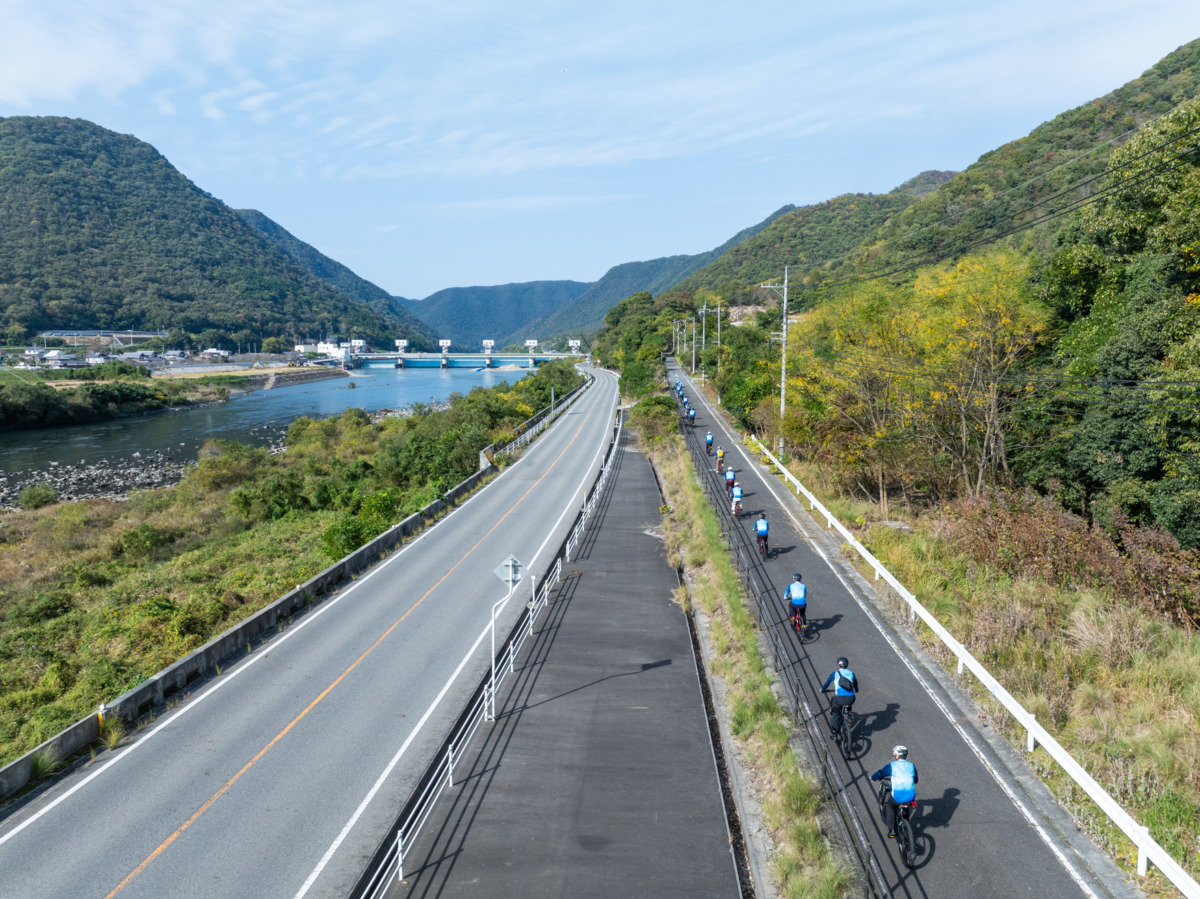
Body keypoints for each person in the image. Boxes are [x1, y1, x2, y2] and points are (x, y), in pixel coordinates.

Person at [871, 746, 918, 839]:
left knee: (890, 806)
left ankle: (892, 829)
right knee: (906, 804)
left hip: (897, 796)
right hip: (911, 797)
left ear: (897, 756)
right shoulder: (912, 766)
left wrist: (873, 777)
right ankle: (905, 824)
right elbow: (915, 780)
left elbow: (881, 773)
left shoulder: (892, 766)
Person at [821, 657, 858, 739]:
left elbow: (826, 684)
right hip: (851, 698)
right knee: (848, 701)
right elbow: (855, 684)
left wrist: (822, 690)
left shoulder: (834, 674)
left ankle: (834, 733)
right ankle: (849, 713)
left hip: (839, 699)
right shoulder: (851, 673)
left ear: (838, 665)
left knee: (835, 713)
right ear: (847, 665)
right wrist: (856, 690)